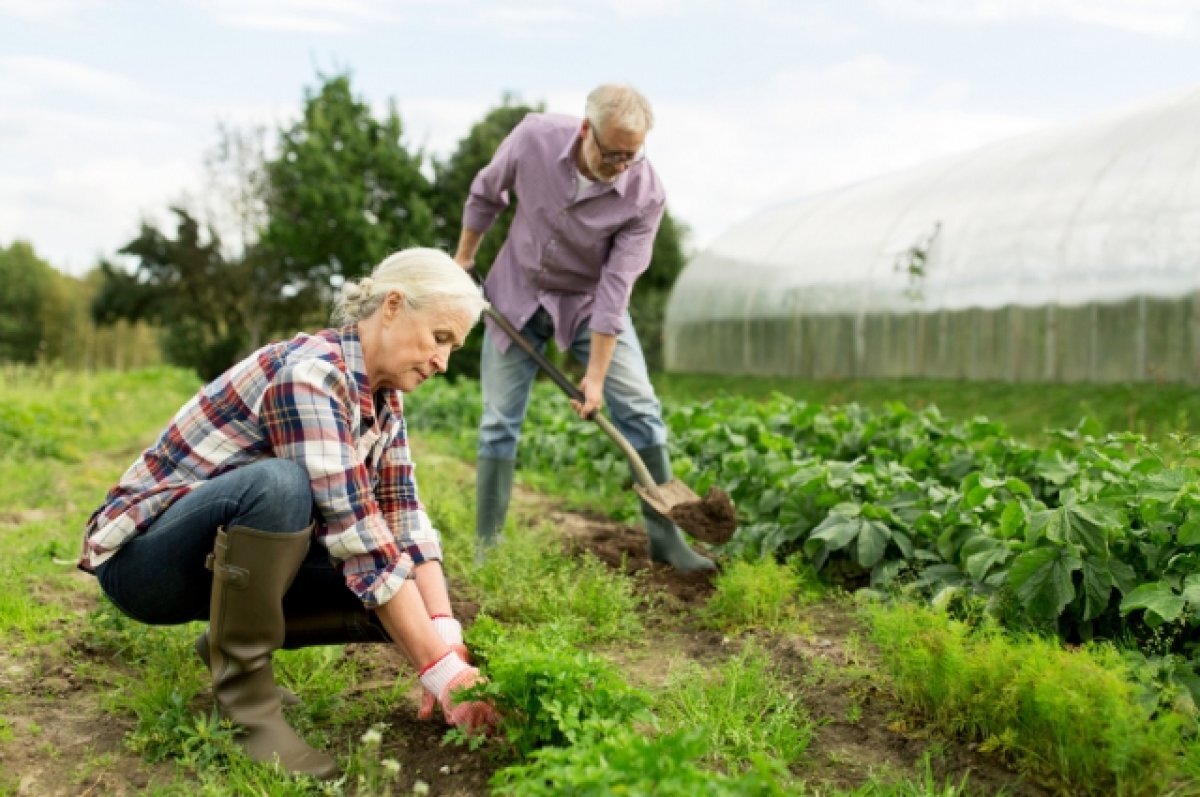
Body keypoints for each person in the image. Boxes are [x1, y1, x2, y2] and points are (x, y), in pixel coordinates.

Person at [79, 248, 500, 778]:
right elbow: (360, 539)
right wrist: (439, 673)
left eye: (454, 348)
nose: (444, 361)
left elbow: (403, 517)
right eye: (440, 338)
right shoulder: (311, 375)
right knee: (282, 487)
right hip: (143, 563)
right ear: (393, 306)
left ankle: (228, 646)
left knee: (403, 596)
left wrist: (447, 644)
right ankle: (246, 708)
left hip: (215, 561)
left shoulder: (384, 400)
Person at [453, 83, 714, 572]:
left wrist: (595, 375)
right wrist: (463, 260)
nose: (620, 166)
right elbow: (488, 193)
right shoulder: (534, 137)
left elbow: (617, 290)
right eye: (612, 153)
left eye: (630, 157)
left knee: (639, 407)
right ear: (585, 129)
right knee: (498, 422)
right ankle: (488, 547)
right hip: (518, 291)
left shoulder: (645, 194)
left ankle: (668, 540)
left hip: (589, 304)